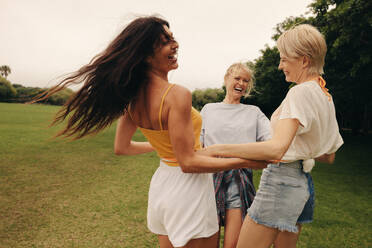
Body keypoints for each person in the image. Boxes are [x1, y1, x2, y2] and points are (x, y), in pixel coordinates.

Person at [33, 16, 266, 248]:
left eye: (173, 38)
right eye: (165, 41)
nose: (175, 45)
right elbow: (188, 162)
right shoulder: (177, 94)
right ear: (145, 54)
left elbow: (122, 148)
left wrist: (168, 147)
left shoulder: (131, 96)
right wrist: (244, 161)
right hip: (188, 191)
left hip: (163, 186)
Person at [203, 24, 344, 248]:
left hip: (281, 182)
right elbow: (328, 155)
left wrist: (216, 149)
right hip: (303, 185)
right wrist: (299, 152)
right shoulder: (325, 96)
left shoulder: (299, 92)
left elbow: (276, 149)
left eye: (284, 59)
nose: (280, 66)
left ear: (304, 60)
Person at [200, 63, 271, 248]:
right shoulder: (208, 109)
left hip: (239, 182)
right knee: (208, 243)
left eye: (246, 80)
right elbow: (196, 145)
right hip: (208, 181)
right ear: (226, 79)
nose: (241, 83)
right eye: (237, 78)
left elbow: (273, 142)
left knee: (232, 245)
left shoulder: (253, 112)